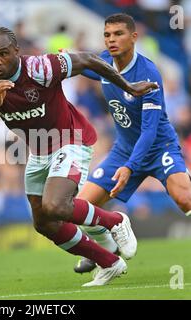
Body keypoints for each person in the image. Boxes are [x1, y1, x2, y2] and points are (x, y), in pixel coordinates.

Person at [0, 27, 158, 286]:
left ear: (16, 52)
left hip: (71, 139)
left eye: (3, 54)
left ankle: (115, 221)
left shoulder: (40, 67)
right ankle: (110, 262)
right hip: (39, 150)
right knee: (44, 223)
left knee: (56, 205)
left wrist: (129, 86)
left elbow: (88, 60)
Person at [73, 13, 191, 274]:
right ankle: (103, 251)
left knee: (185, 199)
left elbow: (149, 131)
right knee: (79, 207)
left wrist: (130, 167)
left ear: (134, 37)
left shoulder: (147, 73)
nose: (111, 40)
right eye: (107, 35)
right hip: (124, 149)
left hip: (159, 147)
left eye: (118, 34)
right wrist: (65, 61)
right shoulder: (105, 63)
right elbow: (90, 69)